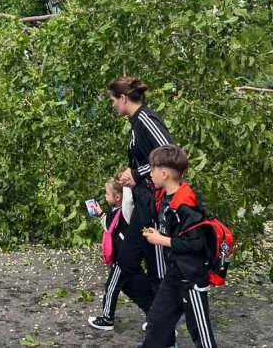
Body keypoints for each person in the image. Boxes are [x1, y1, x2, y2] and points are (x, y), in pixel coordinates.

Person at [137, 145, 217, 348]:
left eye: (152, 169)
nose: (150, 174)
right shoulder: (164, 197)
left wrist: (161, 240)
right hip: (174, 275)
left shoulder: (185, 202)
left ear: (164, 173)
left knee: (201, 334)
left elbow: (196, 243)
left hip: (191, 279)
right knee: (156, 322)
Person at [109, 76, 175, 293]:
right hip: (143, 199)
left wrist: (138, 173)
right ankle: (155, 309)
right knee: (129, 259)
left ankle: (162, 312)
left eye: (113, 100)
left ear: (123, 98)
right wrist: (131, 175)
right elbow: (147, 160)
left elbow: (171, 153)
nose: (113, 105)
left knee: (156, 263)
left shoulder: (146, 118)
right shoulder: (135, 122)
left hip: (155, 201)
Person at [88, 169, 154, 332]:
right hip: (131, 256)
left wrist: (101, 213)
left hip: (124, 257)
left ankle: (107, 319)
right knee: (136, 287)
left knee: (112, 286)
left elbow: (122, 208)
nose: (105, 196)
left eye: (107, 194)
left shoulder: (126, 210)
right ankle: (156, 318)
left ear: (118, 197)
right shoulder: (120, 211)